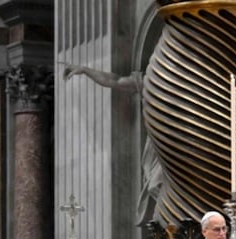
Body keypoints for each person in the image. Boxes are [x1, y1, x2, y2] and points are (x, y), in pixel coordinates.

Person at [62, 64, 163, 225]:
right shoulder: (153, 84)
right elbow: (116, 81)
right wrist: (86, 70)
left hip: (179, 143)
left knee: (158, 185)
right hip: (158, 146)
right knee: (154, 186)